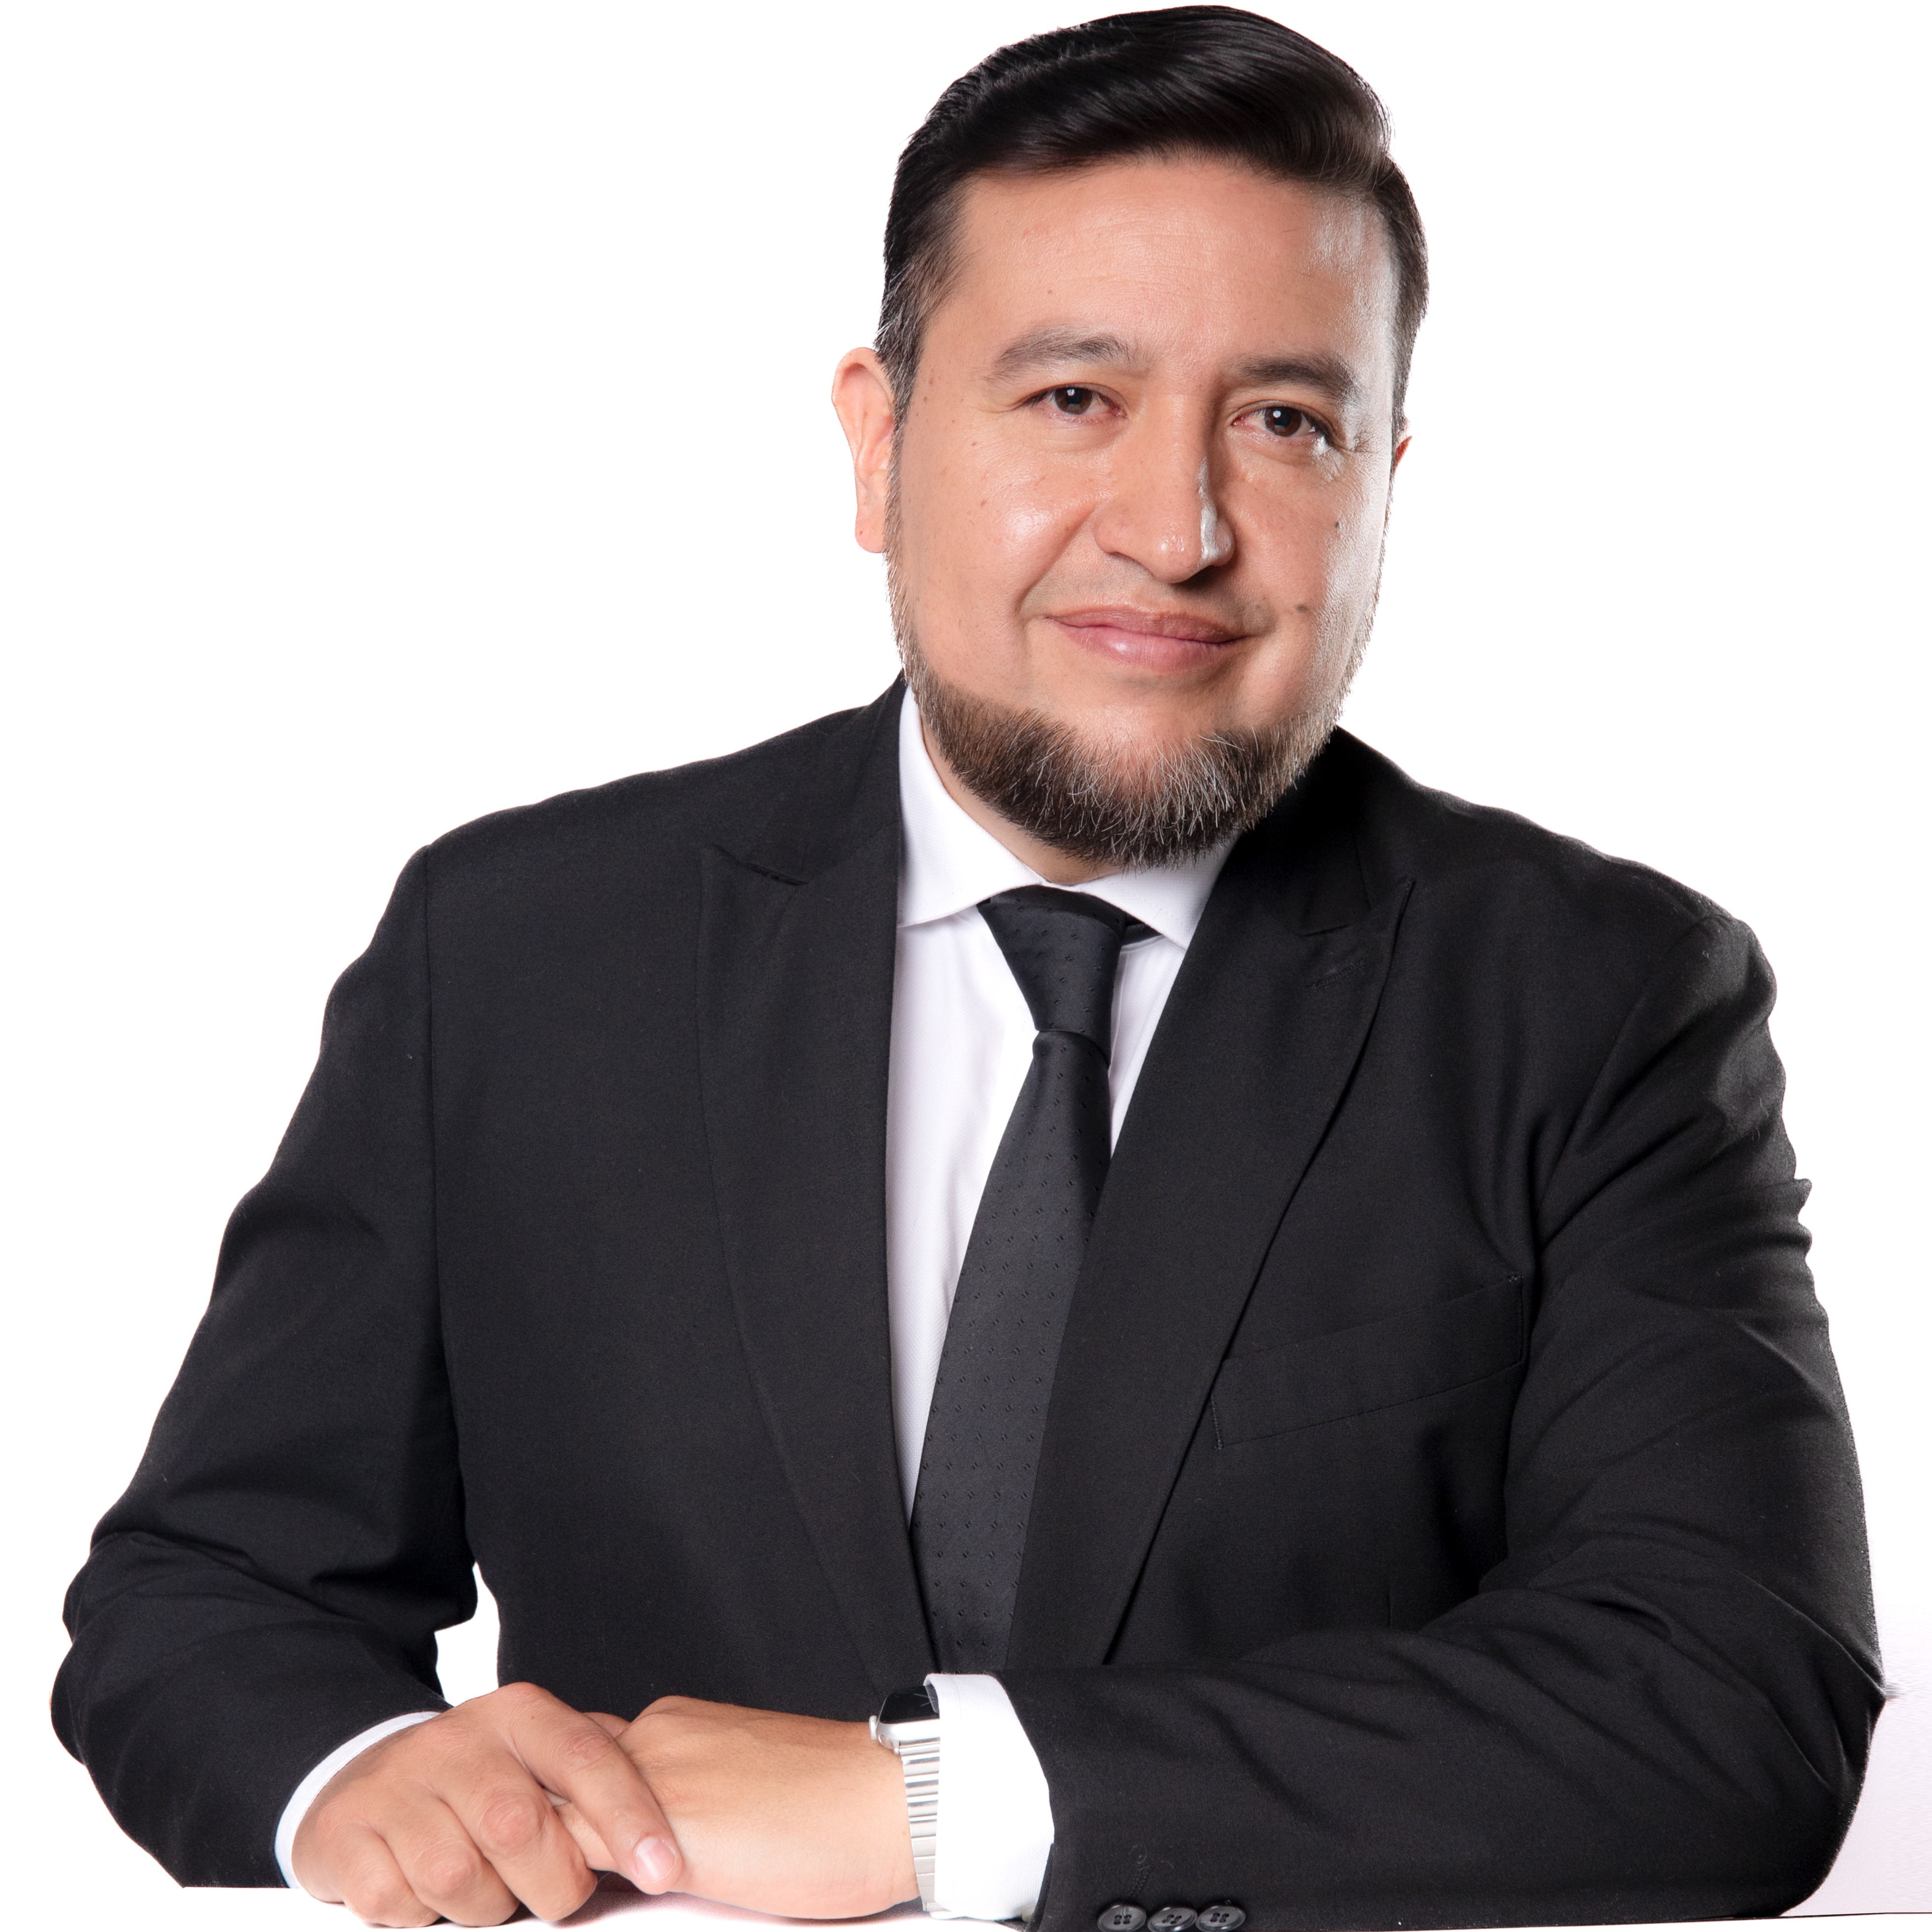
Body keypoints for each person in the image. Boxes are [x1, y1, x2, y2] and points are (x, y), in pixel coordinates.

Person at [53, 9, 1882, 1929]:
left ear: (1381, 482)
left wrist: (939, 1804)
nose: (1174, 532)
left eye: (1284, 421)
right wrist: (359, 1771)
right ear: (879, 443)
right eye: (1074, 397)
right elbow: (207, 1594)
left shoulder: (1597, 998)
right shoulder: (515, 952)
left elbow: (1731, 1703)